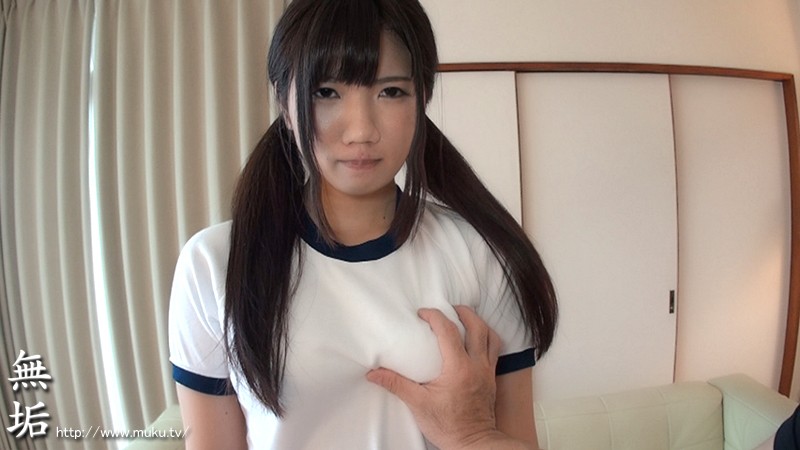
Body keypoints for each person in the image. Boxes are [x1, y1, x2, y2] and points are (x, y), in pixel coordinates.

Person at [168, 0, 558, 449]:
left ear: (422, 98)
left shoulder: (483, 254)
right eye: (326, 92)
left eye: (390, 92)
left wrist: (473, 434)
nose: (361, 131)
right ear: (284, 103)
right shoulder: (215, 264)